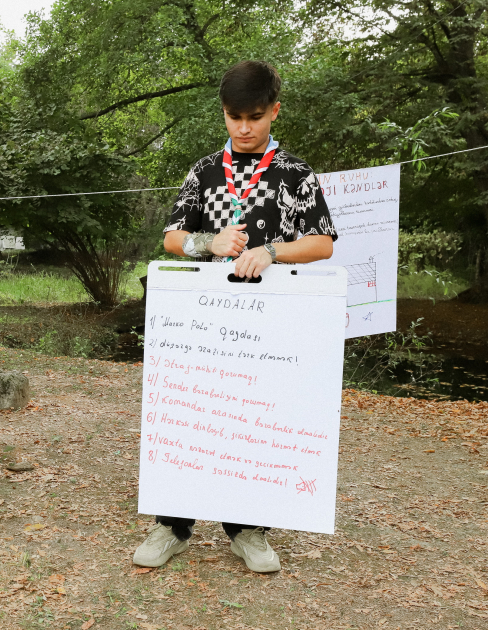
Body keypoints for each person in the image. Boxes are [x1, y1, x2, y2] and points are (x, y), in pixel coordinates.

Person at [133, 60, 337, 573]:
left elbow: (323, 244)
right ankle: (172, 526)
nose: (243, 128)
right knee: (192, 413)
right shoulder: (203, 171)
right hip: (202, 319)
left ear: (274, 111)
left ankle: (249, 530)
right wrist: (208, 242)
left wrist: (271, 252)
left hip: (271, 321)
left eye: (255, 116)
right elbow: (172, 238)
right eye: (233, 117)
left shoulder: (295, 174)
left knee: (256, 417)